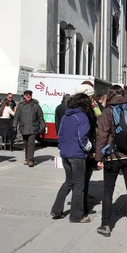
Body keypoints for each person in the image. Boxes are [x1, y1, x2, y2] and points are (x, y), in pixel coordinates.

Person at [95, 85, 127, 238]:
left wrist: (99, 158)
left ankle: (106, 225)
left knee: (108, 190)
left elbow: (102, 136)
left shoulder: (107, 111)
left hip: (112, 156)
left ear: (109, 95)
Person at [50, 93, 93, 223]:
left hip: (65, 153)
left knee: (68, 182)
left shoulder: (65, 116)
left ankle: (56, 210)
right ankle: (76, 215)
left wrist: (62, 148)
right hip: (77, 155)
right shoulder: (82, 116)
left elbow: (60, 135)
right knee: (79, 185)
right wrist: (88, 147)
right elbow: (82, 137)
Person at [12, 90, 45, 167]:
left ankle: (31, 160)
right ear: (24, 96)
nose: (28, 96)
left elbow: (40, 117)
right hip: (23, 127)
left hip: (33, 127)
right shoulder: (20, 105)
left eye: (29, 94)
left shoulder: (36, 105)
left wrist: (43, 126)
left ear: (31, 95)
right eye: (26, 95)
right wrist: (14, 126)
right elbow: (16, 117)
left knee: (31, 143)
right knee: (26, 144)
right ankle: (27, 159)